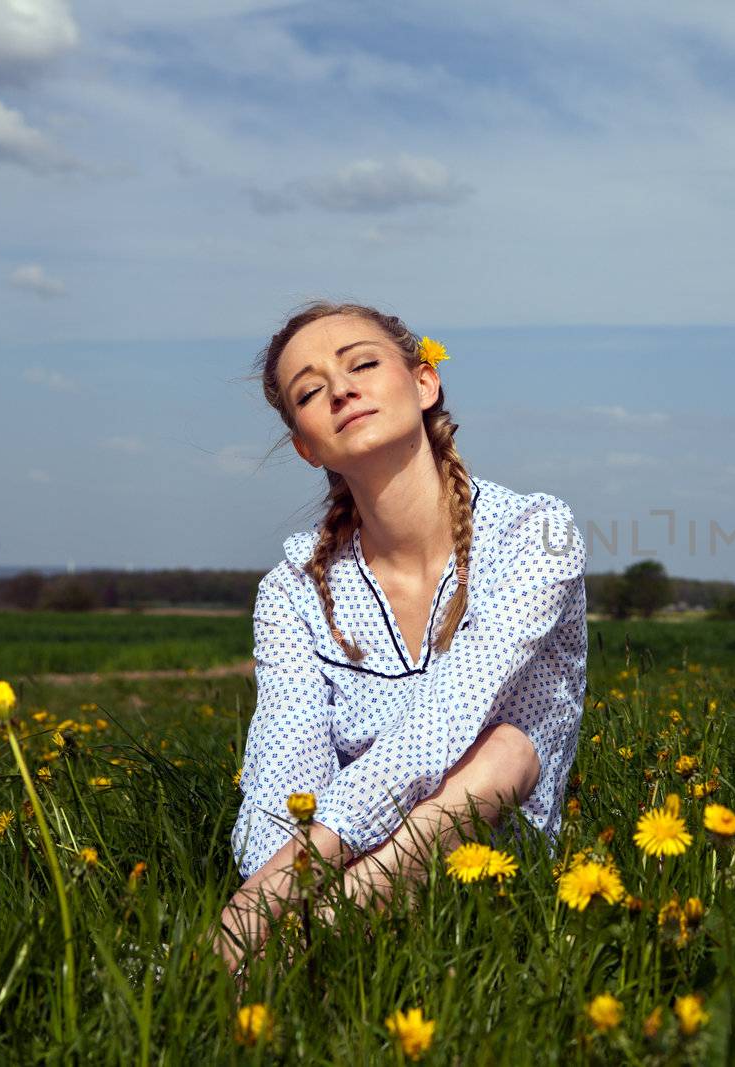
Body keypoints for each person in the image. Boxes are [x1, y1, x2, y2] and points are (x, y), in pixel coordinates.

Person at [215, 301, 587, 975]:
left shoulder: (537, 532)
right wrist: (267, 869)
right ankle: (303, 943)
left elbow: (446, 721)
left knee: (503, 751)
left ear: (424, 383)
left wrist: (278, 893)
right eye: (309, 389)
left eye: (361, 363)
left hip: (493, 862)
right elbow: (283, 759)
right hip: (331, 859)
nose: (340, 387)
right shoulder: (292, 587)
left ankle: (305, 937)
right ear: (305, 444)